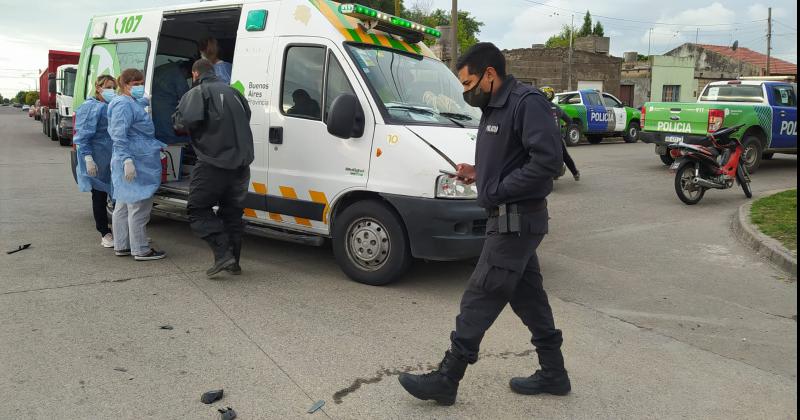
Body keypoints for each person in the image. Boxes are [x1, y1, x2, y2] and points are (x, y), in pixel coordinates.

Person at [398, 43, 569, 406]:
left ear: (490, 74)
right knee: (530, 298)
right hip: (509, 217)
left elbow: (549, 162)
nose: (466, 91)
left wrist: (497, 189)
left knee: (482, 293)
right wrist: (480, 174)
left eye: (469, 82)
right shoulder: (494, 108)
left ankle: (448, 377)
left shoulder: (527, 103)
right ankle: (555, 373)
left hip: (515, 220)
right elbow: (513, 158)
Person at [173, 59, 254, 277]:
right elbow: (245, 117)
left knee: (198, 209)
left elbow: (182, 123)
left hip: (213, 163)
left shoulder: (199, 92)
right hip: (241, 164)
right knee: (232, 213)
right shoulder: (235, 93)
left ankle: (222, 254)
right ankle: (233, 261)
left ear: (195, 73)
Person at [108, 68, 167, 261]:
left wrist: (143, 100)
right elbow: (118, 134)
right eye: (136, 84)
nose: (140, 87)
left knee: (124, 205)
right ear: (125, 86)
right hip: (133, 160)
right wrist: (127, 160)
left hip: (133, 158)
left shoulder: (127, 102)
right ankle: (141, 249)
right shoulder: (123, 105)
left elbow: (133, 114)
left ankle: (123, 245)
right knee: (139, 206)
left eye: (141, 83)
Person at [73, 75, 118, 248]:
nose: (111, 90)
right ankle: (104, 233)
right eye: (108, 87)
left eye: (113, 87)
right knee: (99, 196)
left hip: (112, 157)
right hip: (96, 158)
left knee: (117, 196)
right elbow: (83, 136)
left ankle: (122, 231)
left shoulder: (111, 105)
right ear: (98, 88)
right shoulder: (89, 107)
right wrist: (88, 158)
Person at [542, 86, 580, 181]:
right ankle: (575, 173)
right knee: (565, 156)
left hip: (543, 138)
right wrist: (563, 128)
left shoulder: (539, 108)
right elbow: (569, 120)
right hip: (556, 138)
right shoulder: (557, 108)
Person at [152, 60, 192, 144]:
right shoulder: (178, 74)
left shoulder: (164, 67)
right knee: (172, 137)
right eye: (187, 77)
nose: (186, 79)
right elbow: (187, 99)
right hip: (165, 111)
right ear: (186, 71)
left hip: (153, 107)